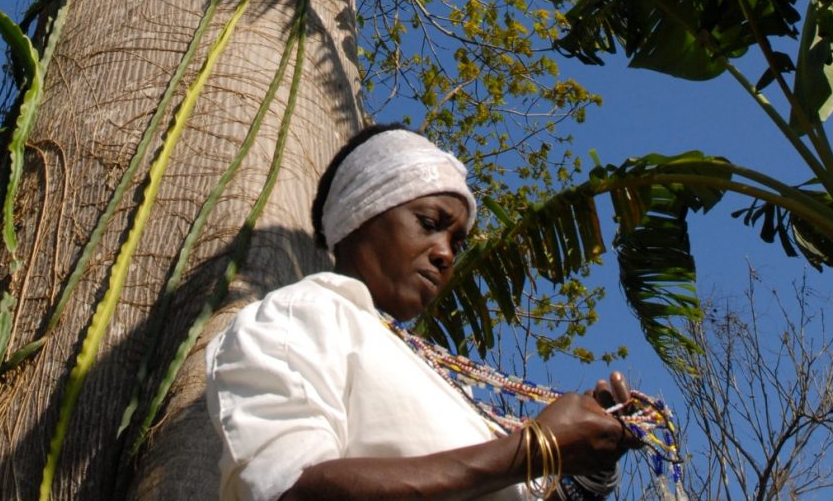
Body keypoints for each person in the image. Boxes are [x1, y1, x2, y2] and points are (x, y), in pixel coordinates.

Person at [206, 125, 636, 500]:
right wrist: (533, 449)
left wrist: (585, 467)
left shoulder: (427, 372)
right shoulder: (301, 314)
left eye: (457, 242)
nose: (446, 254)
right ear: (362, 214)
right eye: (430, 223)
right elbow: (289, 490)